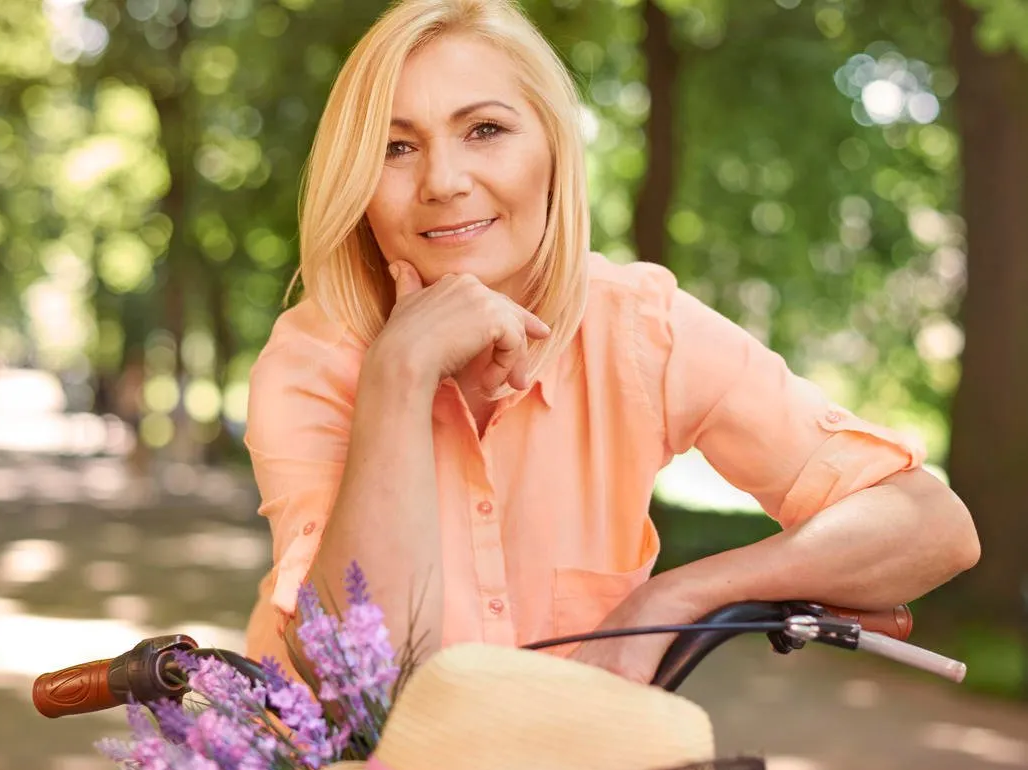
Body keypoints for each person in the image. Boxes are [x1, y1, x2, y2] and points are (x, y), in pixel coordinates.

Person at [242, 0, 980, 684]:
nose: (442, 180)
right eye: (396, 147)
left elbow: (930, 526)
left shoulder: (636, 329)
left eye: (485, 131)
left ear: (555, 152)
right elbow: (346, 675)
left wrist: (684, 595)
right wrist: (398, 377)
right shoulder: (311, 359)